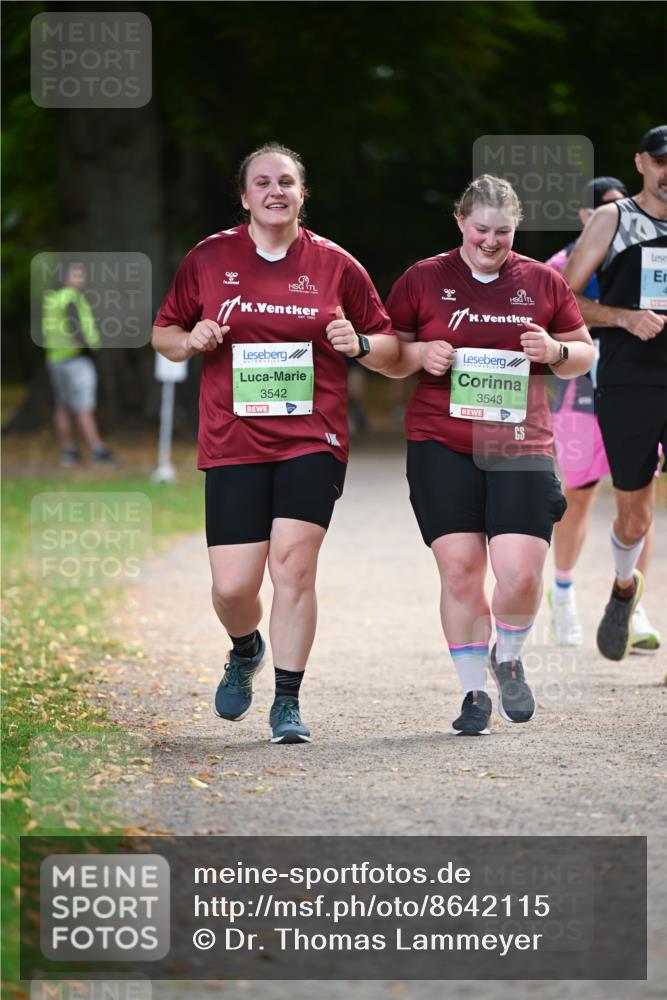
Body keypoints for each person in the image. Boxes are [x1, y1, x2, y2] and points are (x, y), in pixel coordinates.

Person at [152, 143, 397, 744]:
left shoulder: (337, 266)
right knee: (234, 587)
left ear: (302, 193)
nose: (275, 191)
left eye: (286, 181)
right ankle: (245, 648)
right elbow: (163, 334)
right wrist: (194, 338)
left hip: (312, 436)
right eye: (262, 182)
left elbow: (392, 351)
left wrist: (358, 345)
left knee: (293, 565)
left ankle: (287, 701)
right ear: (245, 196)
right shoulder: (209, 259)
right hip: (233, 437)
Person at [382, 174, 594, 736]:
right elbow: (388, 355)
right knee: (460, 572)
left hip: (519, 441)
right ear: (460, 222)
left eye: (502, 231)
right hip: (441, 440)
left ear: (515, 229)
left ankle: (509, 655)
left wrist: (555, 349)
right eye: (481, 230)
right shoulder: (423, 279)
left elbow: (583, 353)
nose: (491, 241)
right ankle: (473, 691)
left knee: (520, 575)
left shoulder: (543, 282)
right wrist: (419, 353)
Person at [563, 126, 667, 661]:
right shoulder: (615, 218)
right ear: (641, 163)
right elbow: (567, 300)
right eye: (660, 161)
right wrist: (625, 318)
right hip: (630, 379)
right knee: (635, 515)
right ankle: (625, 587)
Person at [43, 262, 115, 467]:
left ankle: (68, 451)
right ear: (66, 277)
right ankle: (97, 450)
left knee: (63, 405)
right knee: (84, 406)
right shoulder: (72, 297)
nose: (80, 279)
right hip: (76, 358)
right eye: (75, 275)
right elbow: (75, 324)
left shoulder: (52, 299)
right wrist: (87, 346)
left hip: (55, 358)